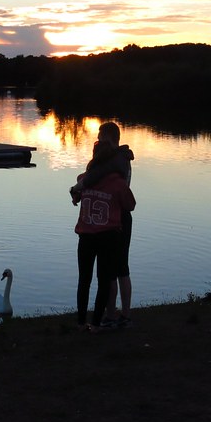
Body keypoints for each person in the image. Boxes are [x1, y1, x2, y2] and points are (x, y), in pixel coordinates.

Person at [69, 122, 135, 327]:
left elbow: (95, 176)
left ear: (107, 138)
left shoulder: (115, 160)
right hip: (113, 217)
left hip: (115, 219)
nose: (96, 140)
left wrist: (79, 186)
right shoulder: (121, 159)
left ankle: (115, 314)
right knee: (115, 269)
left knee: (114, 270)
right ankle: (116, 313)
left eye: (99, 136)